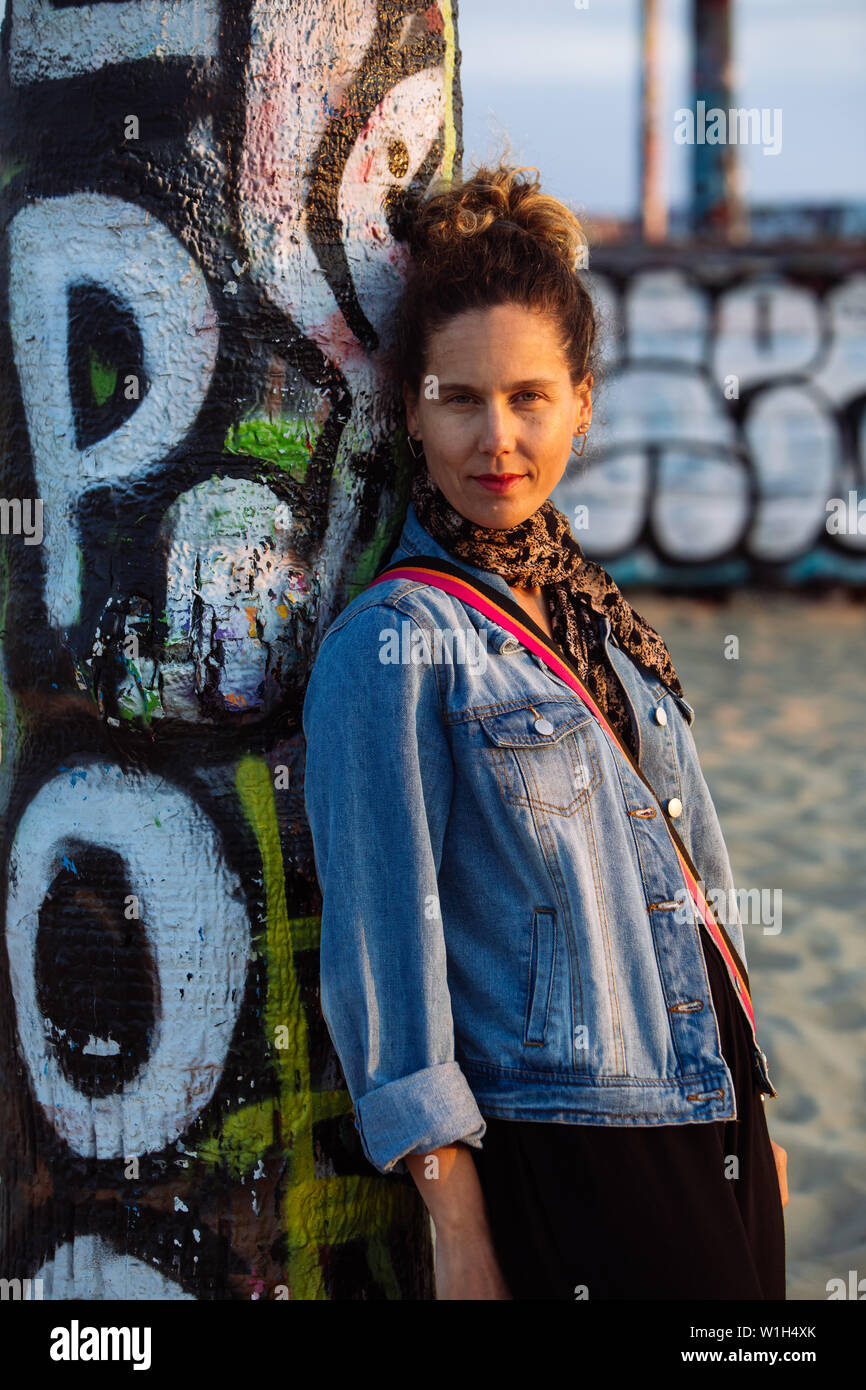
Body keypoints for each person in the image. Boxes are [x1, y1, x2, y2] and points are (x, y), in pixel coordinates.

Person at [302, 162, 787, 1301]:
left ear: (581, 399)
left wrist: (746, 1101)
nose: (495, 439)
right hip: (575, 1145)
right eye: (457, 399)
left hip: (704, 1103)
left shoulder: (591, 612)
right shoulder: (394, 641)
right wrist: (459, 1227)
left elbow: (694, 882)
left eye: (528, 397)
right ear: (409, 409)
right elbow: (384, 955)